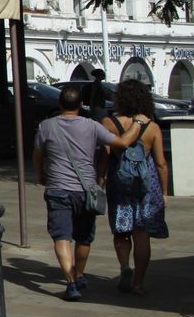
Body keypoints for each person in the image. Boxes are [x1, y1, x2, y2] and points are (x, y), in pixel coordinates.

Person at [32, 84, 149, 301]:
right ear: (81, 105)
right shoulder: (92, 126)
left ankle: (71, 283)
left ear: (59, 104)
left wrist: (41, 175)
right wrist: (139, 122)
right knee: (84, 238)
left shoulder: (46, 126)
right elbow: (123, 143)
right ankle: (78, 274)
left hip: (57, 189)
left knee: (61, 237)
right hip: (86, 191)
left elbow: (37, 155)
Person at [99, 78, 170, 295]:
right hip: (146, 184)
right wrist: (165, 192)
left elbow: (104, 156)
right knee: (142, 233)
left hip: (119, 182)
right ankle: (138, 284)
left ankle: (124, 267)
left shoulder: (109, 123)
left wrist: (100, 179)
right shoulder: (152, 126)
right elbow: (161, 163)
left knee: (121, 231)